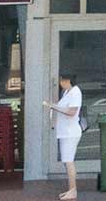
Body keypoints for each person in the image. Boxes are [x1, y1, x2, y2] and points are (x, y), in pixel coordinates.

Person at [43, 72, 84, 201]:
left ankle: (73, 190)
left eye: (62, 81)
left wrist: (53, 107)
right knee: (67, 161)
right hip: (64, 132)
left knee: (69, 161)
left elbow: (72, 112)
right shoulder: (67, 93)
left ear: (68, 81)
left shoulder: (75, 92)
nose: (60, 83)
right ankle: (70, 189)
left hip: (70, 133)